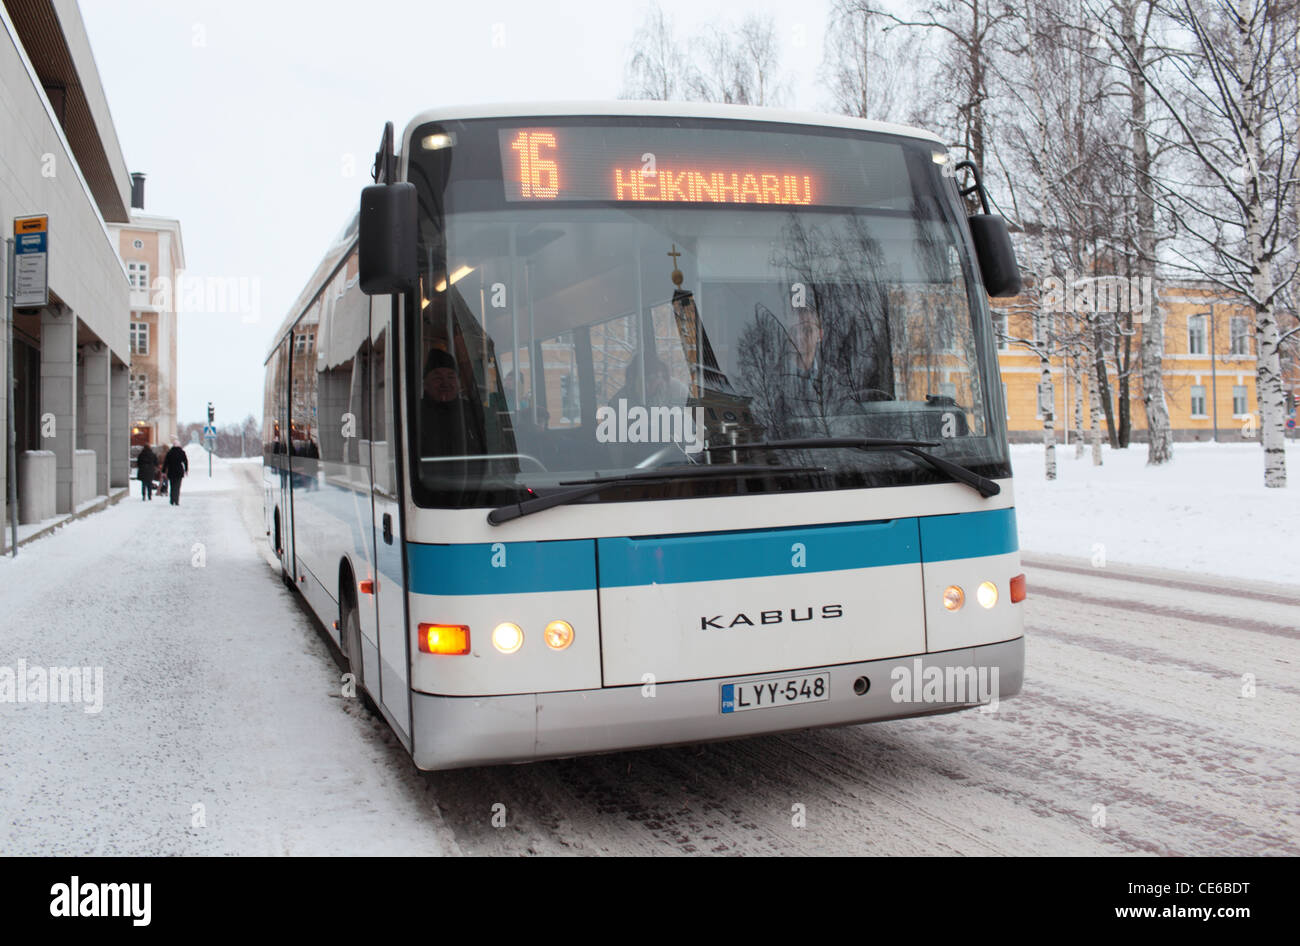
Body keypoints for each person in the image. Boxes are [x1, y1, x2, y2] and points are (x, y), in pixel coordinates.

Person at [419, 348, 486, 458]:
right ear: (425, 384)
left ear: (459, 383)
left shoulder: (474, 412)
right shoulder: (415, 414)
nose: (445, 383)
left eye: (450, 377)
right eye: (437, 378)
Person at [162, 440, 188, 506]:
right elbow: (185, 461)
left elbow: (166, 463)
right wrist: (186, 470)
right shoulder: (182, 452)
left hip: (171, 471)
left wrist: (164, 471)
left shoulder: (170, 452)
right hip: (179, 471)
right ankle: (176, 500)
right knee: (177, 486)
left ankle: (172, 500)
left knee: (172, 486)